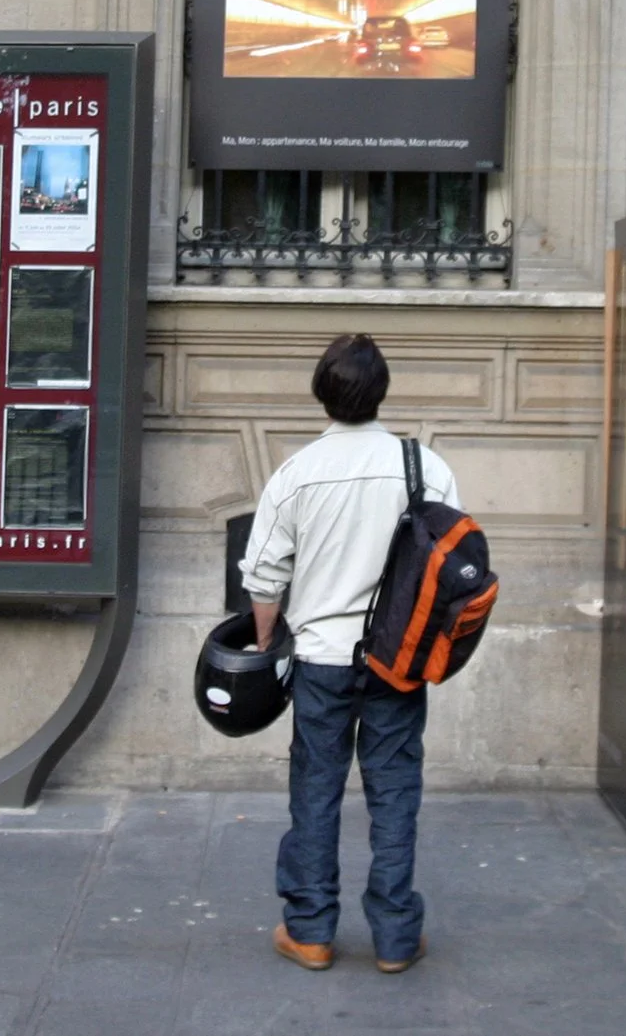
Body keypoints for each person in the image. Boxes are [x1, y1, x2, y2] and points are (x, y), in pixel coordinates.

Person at [244, 334, 456, 975]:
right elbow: (453, 565)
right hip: (399, 660)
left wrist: (265, 642)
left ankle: (310, 930)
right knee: (394, 790)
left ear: (322, 392)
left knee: (315, 788)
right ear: (382, 391)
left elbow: (263, 577)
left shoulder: (297, 474)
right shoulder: (425, 468)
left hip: (321, 660)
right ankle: (394, 936)